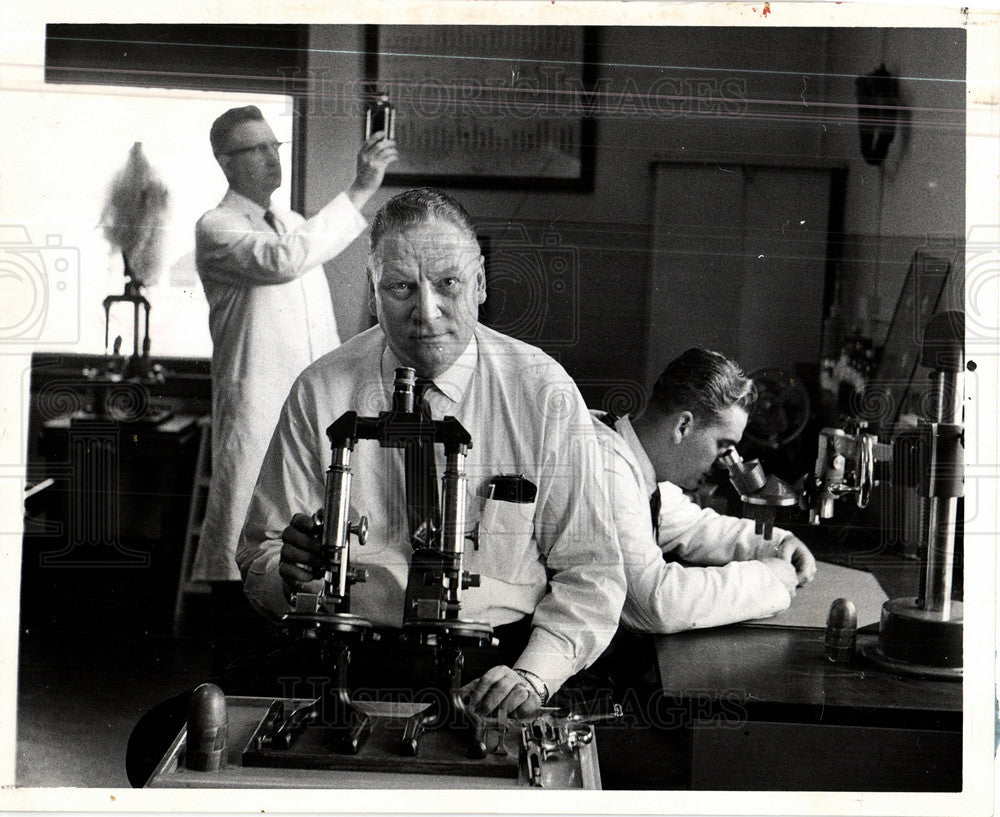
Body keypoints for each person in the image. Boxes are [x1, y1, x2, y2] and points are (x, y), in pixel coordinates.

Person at [237, 187, 626, 720]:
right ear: (373, 291)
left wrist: (533, 675)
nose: (427, 311)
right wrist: (288, 574)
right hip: (349, 649)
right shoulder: (321, 389)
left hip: (497, 660)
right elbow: (259, 554)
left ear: (482, 282)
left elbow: (592, 572)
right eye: (400, 287)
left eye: (448, 283)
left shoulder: (541, 390)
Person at [190, 105, 398, 594]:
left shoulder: (293, 221)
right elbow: (283, 261)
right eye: (255, 149)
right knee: (246, 536)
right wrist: (362, 187)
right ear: (225, 161)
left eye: (273, 146)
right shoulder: (217, 226)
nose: (270, 157)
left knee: (308, 526)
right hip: (257, 403)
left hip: (308, 400)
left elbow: (313, 309)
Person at [593, 347, 818, 634]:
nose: (725, 464)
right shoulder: (607, 466)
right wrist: (770, 578)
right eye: (722, 445)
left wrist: (776, 543)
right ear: (684, 425)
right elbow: (655, 603)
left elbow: (693, 526)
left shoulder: (634, 456)